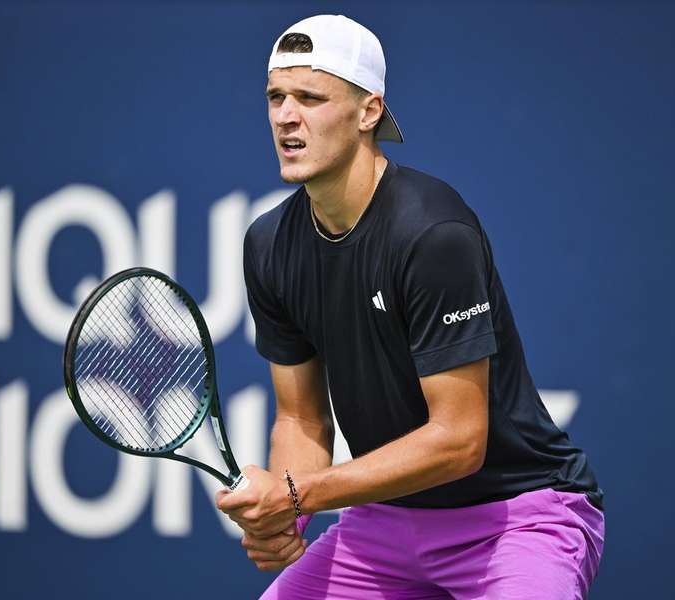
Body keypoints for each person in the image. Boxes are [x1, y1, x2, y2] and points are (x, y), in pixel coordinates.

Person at [216, 14, 605, 599]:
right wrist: (284, 520)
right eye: (276, 97)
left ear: (369, 111)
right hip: (385, 525)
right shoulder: (269, 244)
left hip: (515, 515)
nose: (285, 117)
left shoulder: (432, 232)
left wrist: (299, 495)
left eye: (310, 98)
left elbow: (458, 441)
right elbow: (301, 419)